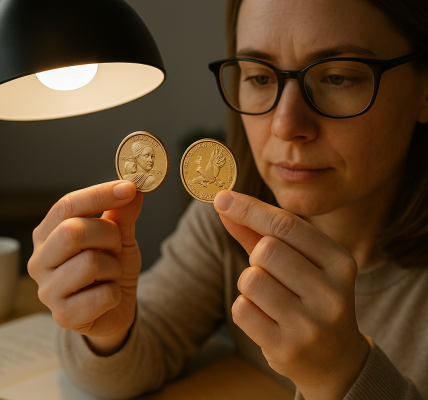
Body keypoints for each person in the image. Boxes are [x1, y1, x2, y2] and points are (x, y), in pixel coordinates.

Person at [28, 0, 428, 399]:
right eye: (258, 77)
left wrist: (343, 373)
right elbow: (123, 369)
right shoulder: (223, 227)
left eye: (338, 78)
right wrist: (108, 327)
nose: (286, 125)